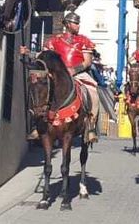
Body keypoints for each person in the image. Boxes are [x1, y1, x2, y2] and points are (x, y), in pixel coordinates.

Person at [44, 11, 102, 143]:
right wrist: (28, 53)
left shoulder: (83, 41)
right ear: (67, 24)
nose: (78, 25)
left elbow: (87, 61)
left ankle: (90, 126)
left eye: (78, 23)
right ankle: (39, 124)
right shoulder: (55, 40)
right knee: (42, 88)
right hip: (58, 73)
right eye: (75, 23)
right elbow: (45, 55)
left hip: (79, 74)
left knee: (92, 90)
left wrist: (73, 70)